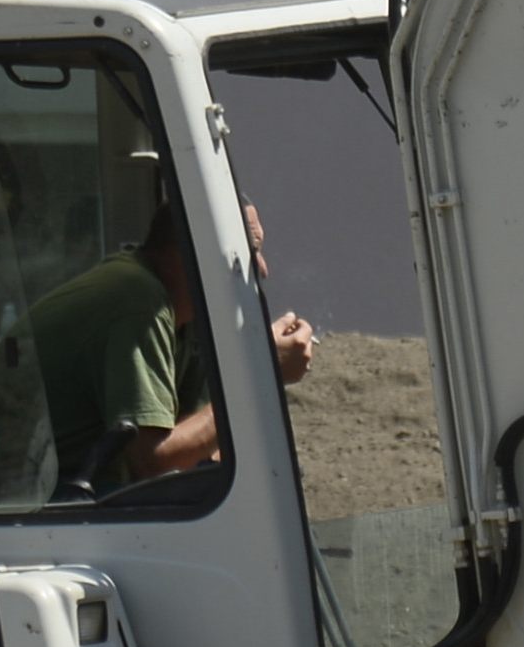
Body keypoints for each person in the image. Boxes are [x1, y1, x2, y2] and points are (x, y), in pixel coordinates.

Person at [28, 202, 314, 491]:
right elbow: (155, 464)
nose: (262, 269)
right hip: (18, 499)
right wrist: (261, 371)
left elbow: (198, 444)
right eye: (249, 253)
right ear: (194, 252)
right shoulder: (138, 299)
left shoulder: (186, 317)